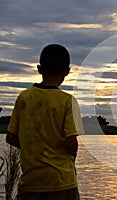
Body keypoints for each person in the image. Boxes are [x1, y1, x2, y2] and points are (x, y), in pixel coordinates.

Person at [6, 44, 84, 200]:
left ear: (39, 69)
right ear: (67, 71)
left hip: (31, 182)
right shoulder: (68, 101)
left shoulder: (24, 97)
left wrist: (34, 146)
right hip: (62, 181)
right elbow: (72, 143)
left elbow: (11, 137)